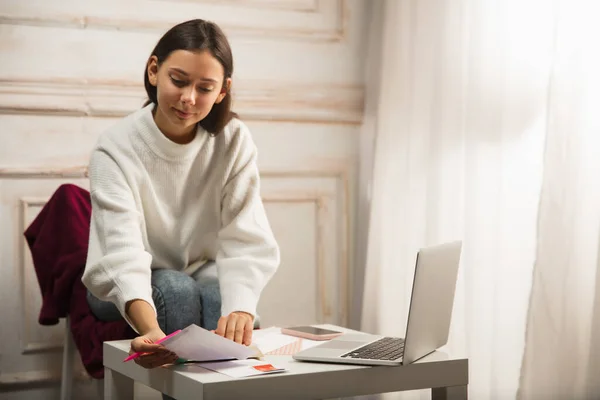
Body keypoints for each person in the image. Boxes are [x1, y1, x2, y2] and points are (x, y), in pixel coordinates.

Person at [81, 18, 280, 377]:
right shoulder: (115, 146)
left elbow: (246, 237)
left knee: (225, 296)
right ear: (154, 70)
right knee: (176, 288)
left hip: (199, 269)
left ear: (223, 90)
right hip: (120, 285)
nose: (189, 98)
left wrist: (241, 311)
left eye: (205, 88)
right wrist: (153, 332)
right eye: (179, 80)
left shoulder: (232, 140)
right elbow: (121, 254)